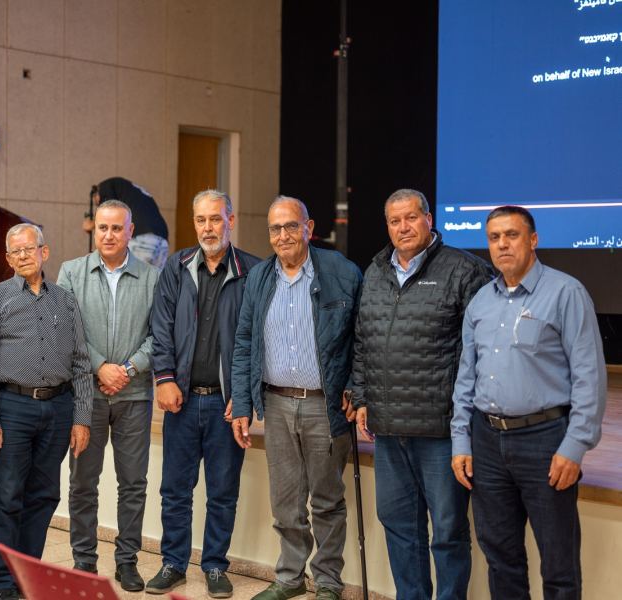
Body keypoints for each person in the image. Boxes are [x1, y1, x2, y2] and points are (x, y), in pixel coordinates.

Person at [451, 205, 606, 600]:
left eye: (512, 235)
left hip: (545, 440)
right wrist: (461, 441)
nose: (502, 244)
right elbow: (466, 378)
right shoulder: (480, 302)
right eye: (494, 238)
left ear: (533, 240)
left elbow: (589, 376)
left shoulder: (566, 293)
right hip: (487, 441)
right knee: (501, 558)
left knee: (558, 565)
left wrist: (574, 446)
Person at [346, 189, 492, 600]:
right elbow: (363, 339)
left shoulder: (464, 270)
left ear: (429, 219)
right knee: (399, 526)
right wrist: (362, 396)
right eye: (395, 221)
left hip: (441, 430)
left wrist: (464, 418)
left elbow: (479, 351)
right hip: (388, 429)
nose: (403, 227)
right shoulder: (376, 271)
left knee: (447, 531)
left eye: (411, 217)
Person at [231, 196, 362, 600]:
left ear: (309, 228)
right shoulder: (259, 277)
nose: (283, 235)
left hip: (325, 405)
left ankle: (328, 581)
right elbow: (244, 342)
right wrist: (241, 402)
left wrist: (356, 387)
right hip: (276, 404)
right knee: (285, 501)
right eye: (275, 228)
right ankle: (289, 577)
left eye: (291, 226)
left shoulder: (341, 271)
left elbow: (363, 338)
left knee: (326, 500)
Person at [146, 190, 260, 598]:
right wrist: (164, 378)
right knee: (175, 490)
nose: (208, 228)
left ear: (231, 220)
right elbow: (160, 326)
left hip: (225, 406)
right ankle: (173, 563)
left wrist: (243, 395)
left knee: (222, 492)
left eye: (215, 219)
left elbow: (257, 341)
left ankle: (214, 565)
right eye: (201, 220)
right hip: (182, 400)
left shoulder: (253, 272)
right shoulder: (176, 267)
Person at [0, 223, 93, 600]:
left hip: (58, 408)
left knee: (44, 496)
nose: (24, 256)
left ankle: (27, 578)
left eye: (30, 248)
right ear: (8, 258)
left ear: (45, 252)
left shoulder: (66, 301)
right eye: (16, 251)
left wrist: (81, 417)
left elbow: (81, 362)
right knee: (7, 497)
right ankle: (3, 584)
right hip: (13, 407)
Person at [57, 199, 159, 592]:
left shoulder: (152, 277)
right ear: (93, 229)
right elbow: (65, 330)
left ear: (130, 231)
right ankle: (84, 560)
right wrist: (100, 367)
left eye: (118, 228)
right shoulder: (72, 272)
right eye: (103, 227)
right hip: (87, 396)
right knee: (83, 481)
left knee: (133, 483)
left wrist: (128, 369)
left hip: (134, 396)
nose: (110, 235)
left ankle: (127, 561)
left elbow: (161, 336)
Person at [83, 177, 169, 268]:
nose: (98, 204)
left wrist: (92, 224)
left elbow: (109, 213)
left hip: (142, 239)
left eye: (97, 203)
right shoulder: (132, 191)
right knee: (153, 277)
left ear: (97, 193)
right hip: (162, 241)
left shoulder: (106, 186)